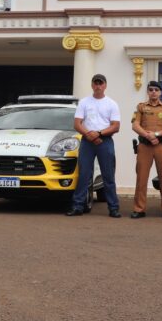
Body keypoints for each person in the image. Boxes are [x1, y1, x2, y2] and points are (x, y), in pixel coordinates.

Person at [70, 74, 121, 217]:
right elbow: (77, 124)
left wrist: (98, 134)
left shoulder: (112, 103)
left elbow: (116, 126)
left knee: (108, 176)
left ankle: (113, 208)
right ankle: (78, 206)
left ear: (105, 85)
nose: (98, 86)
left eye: (101, 83)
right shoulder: (84, 102)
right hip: (87, 141)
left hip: (105, 141)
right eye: (95, 83)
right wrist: (90, 136)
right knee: (84, 175)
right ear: (92, 85)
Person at [130, 81, 162, 219]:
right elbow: (135, 125)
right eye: (151, 89)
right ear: (148, 92)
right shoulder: (141, 107)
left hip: (161, 146)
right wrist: (148, 136)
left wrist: (156, 135)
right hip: (145, 146)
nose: (153, 92)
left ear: (160, 92)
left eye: (156, 89)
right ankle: (139, 209)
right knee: (141, 178)